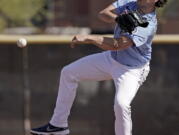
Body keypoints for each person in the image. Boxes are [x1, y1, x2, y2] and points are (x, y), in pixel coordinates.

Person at [30, 0, 167, 135]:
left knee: (121, 104)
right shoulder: (129, 3)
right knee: (68, 73)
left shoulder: (148, 25)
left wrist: (89, 38)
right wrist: (118, 18)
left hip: (132, 70)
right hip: (112, 58)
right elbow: (103, 14)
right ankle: (58, 125)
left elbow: (117, 44)